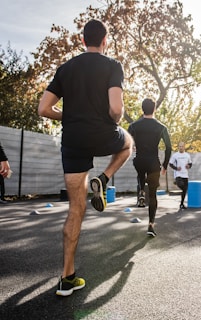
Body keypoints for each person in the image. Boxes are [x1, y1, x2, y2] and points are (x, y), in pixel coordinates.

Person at [38, 19, 133, 297]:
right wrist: (115, 118)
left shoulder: (66, 69)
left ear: (82, 41)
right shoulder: (112, 66)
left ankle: (67, 278)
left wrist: (66, 115)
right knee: (128, 143)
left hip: (73, 141)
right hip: (103, 135)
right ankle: (103, 178)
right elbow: (116, 109)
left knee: (75, 210)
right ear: (105, 42)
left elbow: (44, 108)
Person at [128, 98, 172, 237]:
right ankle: (151, 226)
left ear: (142, 109)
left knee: (141, 172)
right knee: (152, 195)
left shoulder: (134, 125)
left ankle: (141, 190)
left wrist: (132, 146)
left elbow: (126, 141)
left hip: (139, 160)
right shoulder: (161, 127)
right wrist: (165, 165)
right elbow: (169, 147)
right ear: (155, 109)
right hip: (154, 163)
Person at [169, 142, 192, 209]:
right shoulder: (175, 155)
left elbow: (190, 163)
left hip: (185, 175)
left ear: (184, 147)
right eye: (179, 146)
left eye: (182, 146)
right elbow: (170, 164)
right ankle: (177, 181)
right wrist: (176, 168)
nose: (181, 147)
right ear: (178, 147)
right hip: (178, 174)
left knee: (185, 190)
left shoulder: (187, 155)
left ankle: (181, 204)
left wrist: (188, 166)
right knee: (182, 186)